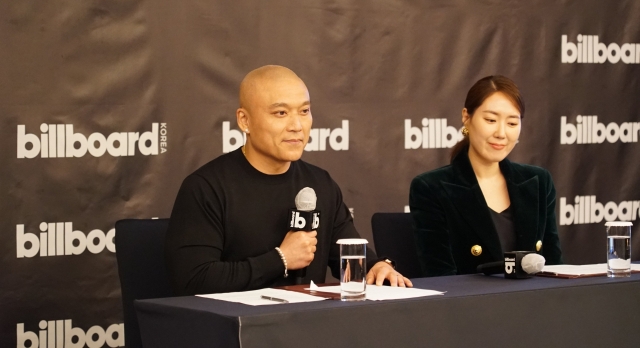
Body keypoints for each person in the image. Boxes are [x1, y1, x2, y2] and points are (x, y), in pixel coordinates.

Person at [166, 65, 412, 295]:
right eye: (280, 113)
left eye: (304, 111)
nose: (297, 125)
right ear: (244, 121)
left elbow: (347, 256)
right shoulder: (206, 188)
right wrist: (280, 259)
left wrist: (377, 267)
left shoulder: (320, 184)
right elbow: (193, 279)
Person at [409, 75, 562, 277]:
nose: (501, 133)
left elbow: (554, 267)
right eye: (491, 120)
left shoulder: (538, 181)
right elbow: (441, 277)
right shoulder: (431, 187)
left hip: (534, 304)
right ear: (466, 117)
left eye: (512, 123)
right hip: (470, 305)